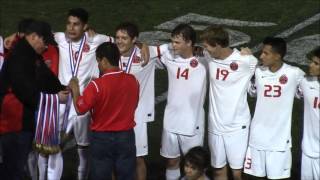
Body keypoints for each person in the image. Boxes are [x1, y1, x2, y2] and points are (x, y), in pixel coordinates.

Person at [0, 21, 68, 180]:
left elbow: (44, 76)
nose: (46, 47)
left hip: (22, 121)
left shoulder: (31, 55)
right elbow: (25, 91)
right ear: (33, 37)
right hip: (13, 123)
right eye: (45, 42)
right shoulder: (19, 57)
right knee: (13, 168)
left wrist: (61, 88)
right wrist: (56, 97)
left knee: (17, 165)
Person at [54, 8, 114, 180]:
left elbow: (121, 42)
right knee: (54, 145)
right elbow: (35, 34)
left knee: (83, 149)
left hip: (83, 102)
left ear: (85, 26)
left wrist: (142, 45)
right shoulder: (60, 38)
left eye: (76, 25)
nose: (71, 28)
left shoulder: (97, 39)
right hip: (62, 101)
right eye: (69, 24)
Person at [68, 42, 139, 180]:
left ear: (105, 61)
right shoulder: (133, 81)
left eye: (98, 61)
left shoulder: (96, 85)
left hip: (102, 138)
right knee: (127, 176)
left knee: (101, 176)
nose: (98, 65)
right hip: (126, 137)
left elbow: (80, 109)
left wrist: (75, 89)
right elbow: (134, 104)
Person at [199, 25, 258, 180]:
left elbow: (262, 74)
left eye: (207, 46)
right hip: (215, 125)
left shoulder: (246, 61)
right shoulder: (209, 56)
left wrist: (251, 56)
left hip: (237, 126)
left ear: (217, 44)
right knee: (218, 170)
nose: (205, 50)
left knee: (237, 173)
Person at [150, 24, 207, 180]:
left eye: (177, 42)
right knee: (172, 161)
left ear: (189, 43)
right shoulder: (169, 56)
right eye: (172, 42)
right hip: (170, 122)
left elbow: (223, 55)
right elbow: (146, 51)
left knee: (195, 166)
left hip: (192, 124)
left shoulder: (204, 59)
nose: (173, 45)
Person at [243, 37, 305, 179]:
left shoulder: (294, 73)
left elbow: (307, 92)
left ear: (277, 56)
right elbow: (252, 92)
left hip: (279, 142)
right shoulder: (258, 72)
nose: (261, 56)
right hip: (257, 138)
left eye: (265, 53)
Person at [115, 22, 155, 180]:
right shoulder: (109, 54)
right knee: (113, 159)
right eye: (117, 37)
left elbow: (170, 48)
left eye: (124, 38)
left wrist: (143, 45)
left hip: (136, 116)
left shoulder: (147, 55)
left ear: (134, 39)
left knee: (138, 158)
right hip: (113, 115)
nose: (120, 41)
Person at [297, 47, 320, 180]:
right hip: (308, 151)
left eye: (316, 63)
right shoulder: (306, 82)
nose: (310, 65)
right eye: (312, 61)